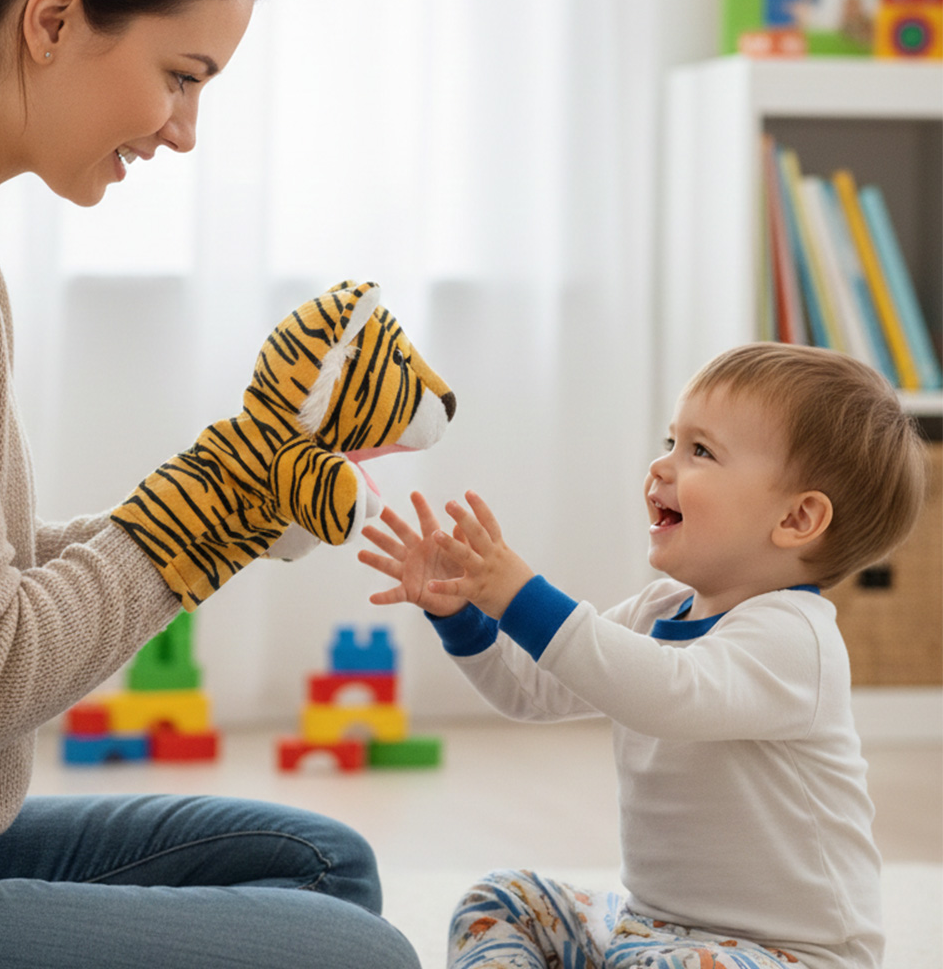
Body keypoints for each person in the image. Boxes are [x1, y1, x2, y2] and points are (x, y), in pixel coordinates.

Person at [0, 0, 420, 967]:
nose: (185, 131)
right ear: (53, 18)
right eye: (181, 76)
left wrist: (235, 507)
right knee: (356, 954)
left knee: (320, 864)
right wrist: (207, 506)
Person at [359, 342, 928, 969]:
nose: (660, 467)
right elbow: (531, 691)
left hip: (792, 954)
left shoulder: (796, 638)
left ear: (796, 518)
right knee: (500, 898)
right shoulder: (661, 610)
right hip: (651, 930)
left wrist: (522, 598)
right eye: (670, 441)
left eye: (700, 451)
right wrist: (460, 614)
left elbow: (670, 694)